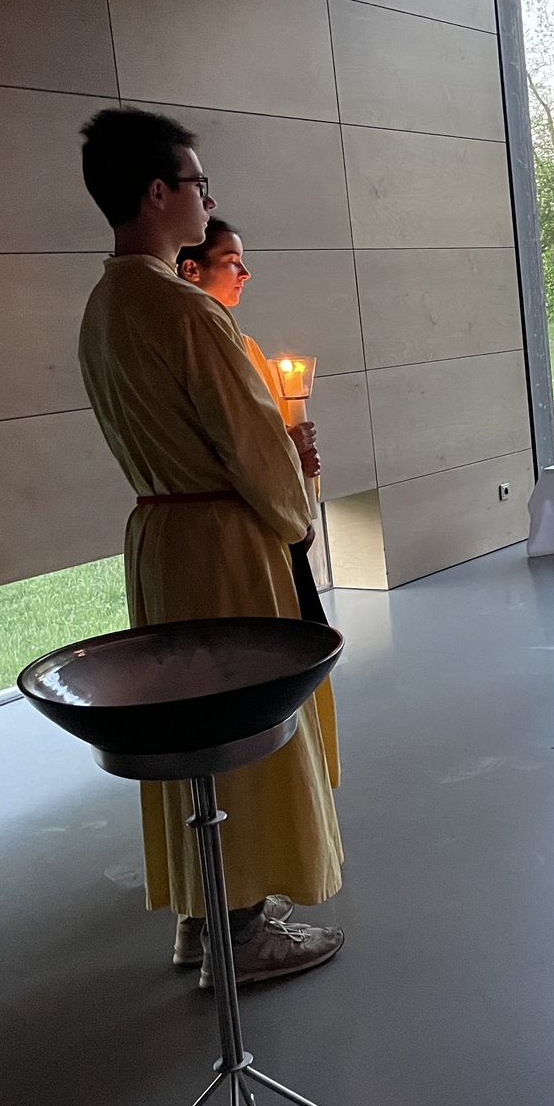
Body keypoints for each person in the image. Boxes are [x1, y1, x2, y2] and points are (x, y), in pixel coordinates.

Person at [76, 108, 345, 986]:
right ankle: (244, 927)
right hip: (224, 540)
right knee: (241, 723)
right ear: (158, 193)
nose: (207, 196)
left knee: (186, 721)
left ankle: (206, 914)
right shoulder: (186, 309)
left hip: (162, 536)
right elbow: (252, 444)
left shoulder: (105, 305)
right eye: (198, 182)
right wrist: (297, 508)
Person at [175, 218, 340, 791]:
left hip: (266, 513)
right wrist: (291, 486)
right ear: (190, 269)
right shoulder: (202, 339)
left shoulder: (242, 345)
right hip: (240, 524)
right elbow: (243, 449)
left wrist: (296, 453)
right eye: (231, 261)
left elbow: (268, 442)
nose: (245, 272)